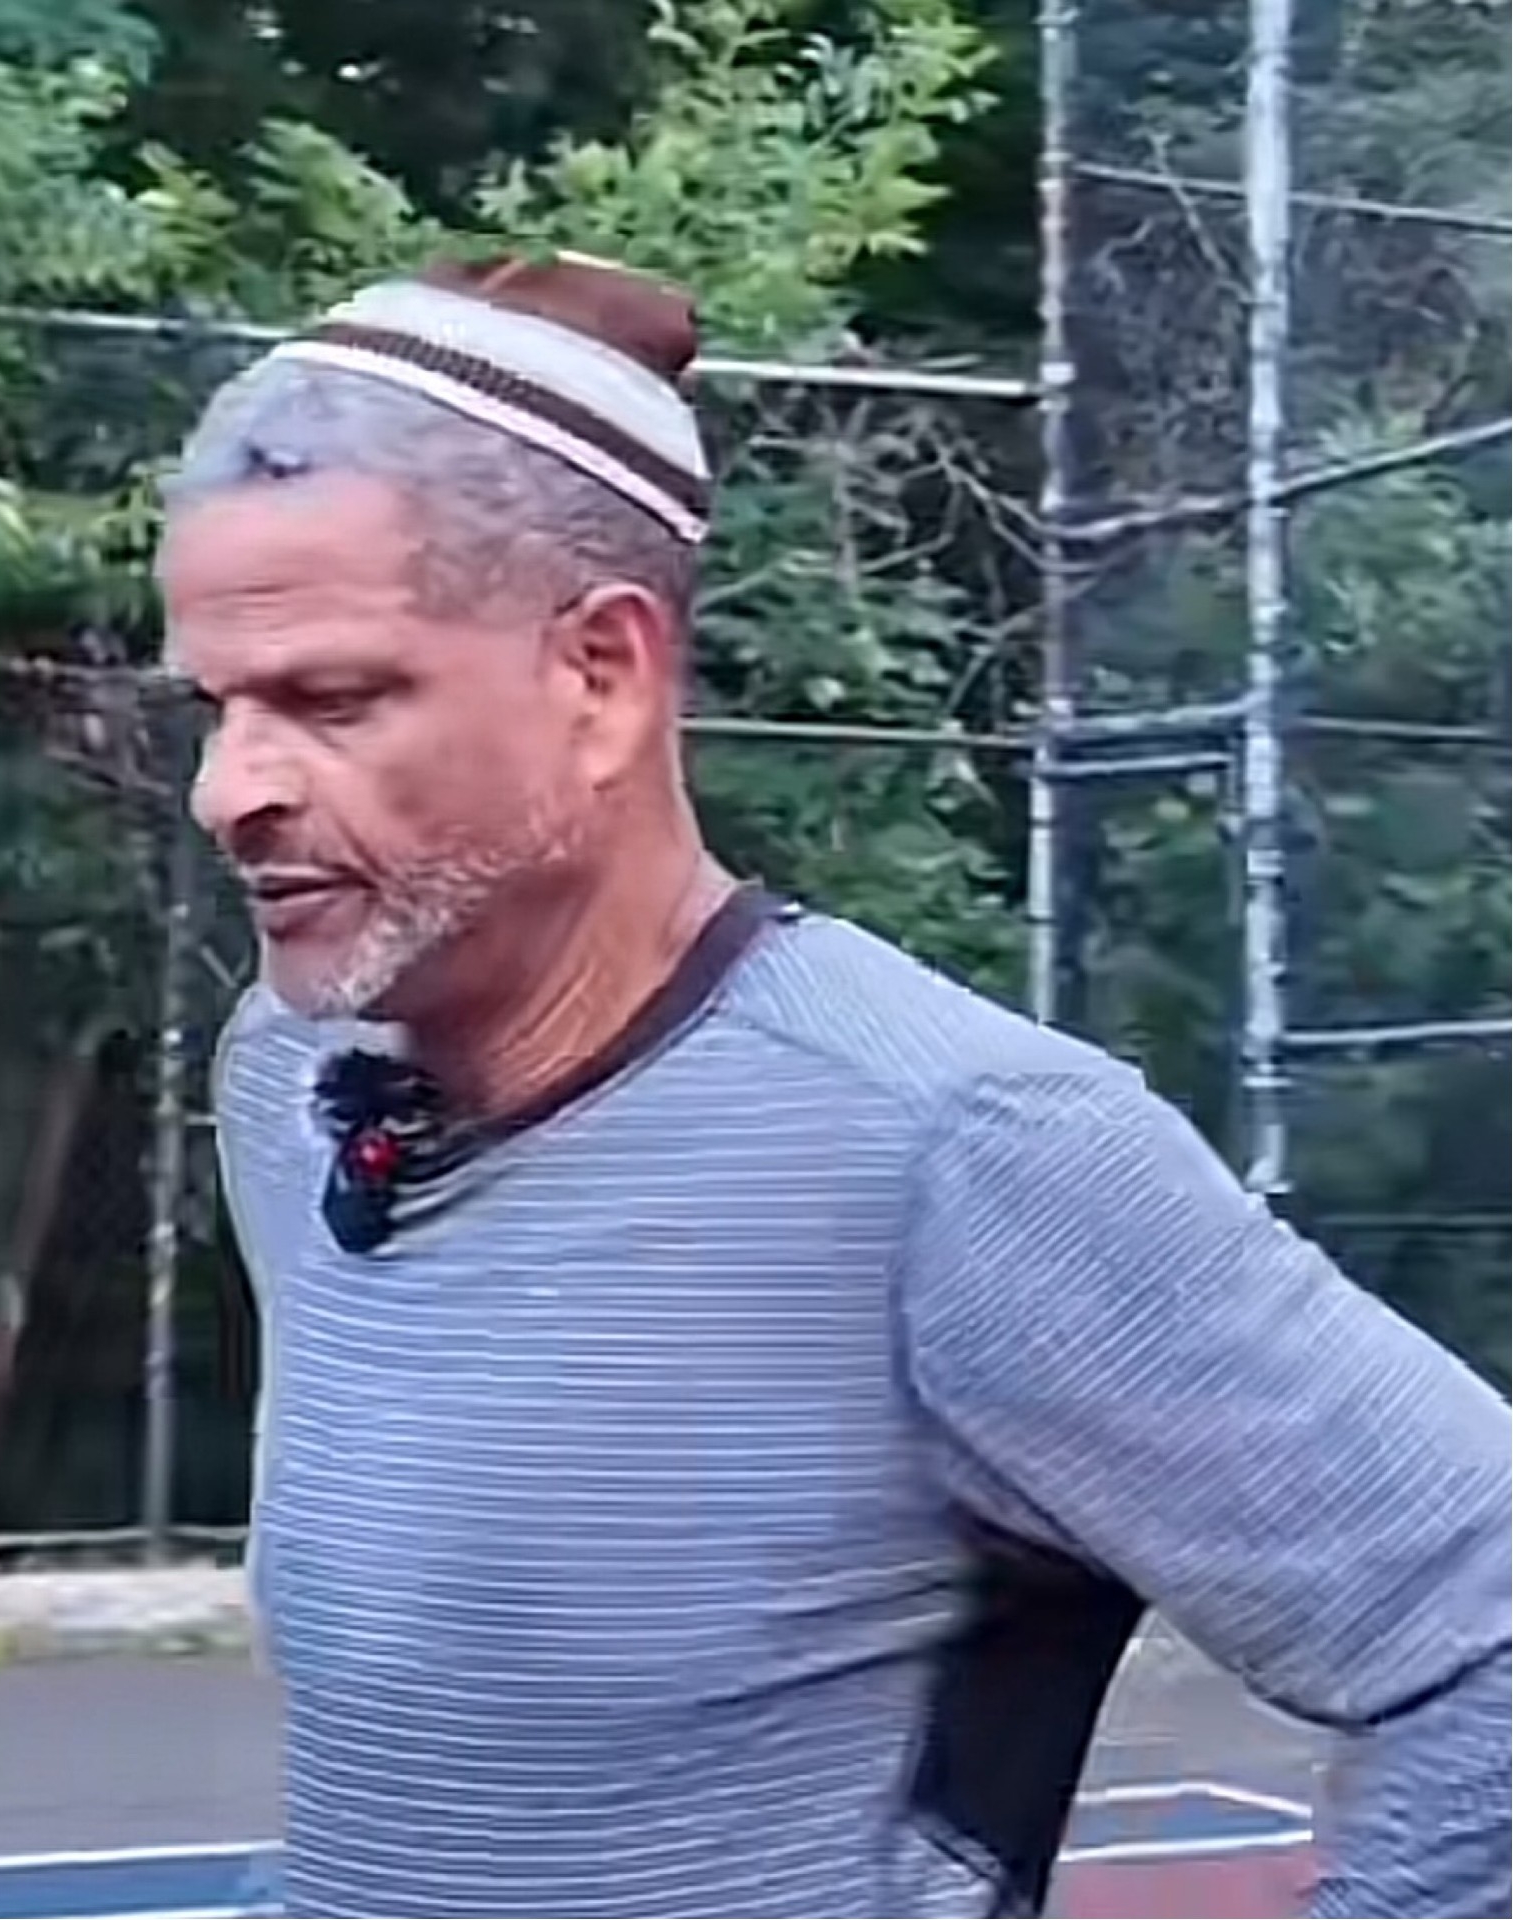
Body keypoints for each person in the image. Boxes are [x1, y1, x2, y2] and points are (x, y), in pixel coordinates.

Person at [158, 252, 1511, 1919]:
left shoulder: (960, 1150)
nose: (229, 791)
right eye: (215, 707)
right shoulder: (291, 1076)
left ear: (603, 677)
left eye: (331, 699)